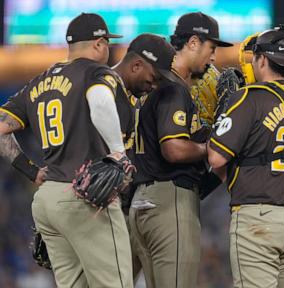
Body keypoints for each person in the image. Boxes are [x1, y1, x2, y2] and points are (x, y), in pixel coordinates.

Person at [0, 13, 174, 288]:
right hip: (86, 197)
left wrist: (29, 169)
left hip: (49, 199)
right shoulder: (96, 73)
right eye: (106, 43)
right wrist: (119, 154)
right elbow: (100, 100)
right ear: (98, 43)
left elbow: (1, 127)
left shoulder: (38, 82)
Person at [207, 25, 284, 288]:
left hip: (258, 219)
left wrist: (222, 113)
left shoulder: (248, 100)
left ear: (262, 60)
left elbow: (216, 159)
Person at [128, 12, 233, 288]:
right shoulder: (173, 87)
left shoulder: (146, 87)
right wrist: (211, 147)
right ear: (194, 42)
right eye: (212, 48)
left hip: (140, 202)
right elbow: (173, 150)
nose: (213, 59)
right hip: (168, 203)